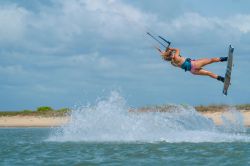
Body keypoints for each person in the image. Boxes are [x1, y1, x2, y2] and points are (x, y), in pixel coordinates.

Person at [155, 47, 227, 82]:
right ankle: (226, 59)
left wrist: (163, 52)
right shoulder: (176, 57)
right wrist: (171, 48)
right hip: (195, 64)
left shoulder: (172, 63)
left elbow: (167, 56)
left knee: (209, 73)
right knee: (211, 60)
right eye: (171, 53)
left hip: (192, 71)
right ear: (171, 55)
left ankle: (222, 79)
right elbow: (177, 49)